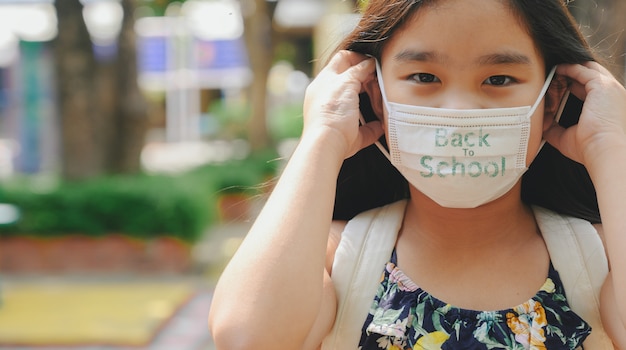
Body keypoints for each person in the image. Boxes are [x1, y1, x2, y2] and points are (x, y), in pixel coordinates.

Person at [208, 0, 626, 348]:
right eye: (424, 77)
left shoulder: (601, 261)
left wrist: (609, 146)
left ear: (551, 101)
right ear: (374, 93)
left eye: (499, 79)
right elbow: (247, 337)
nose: (458, 111)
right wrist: (322, 138)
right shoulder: (337, 260)